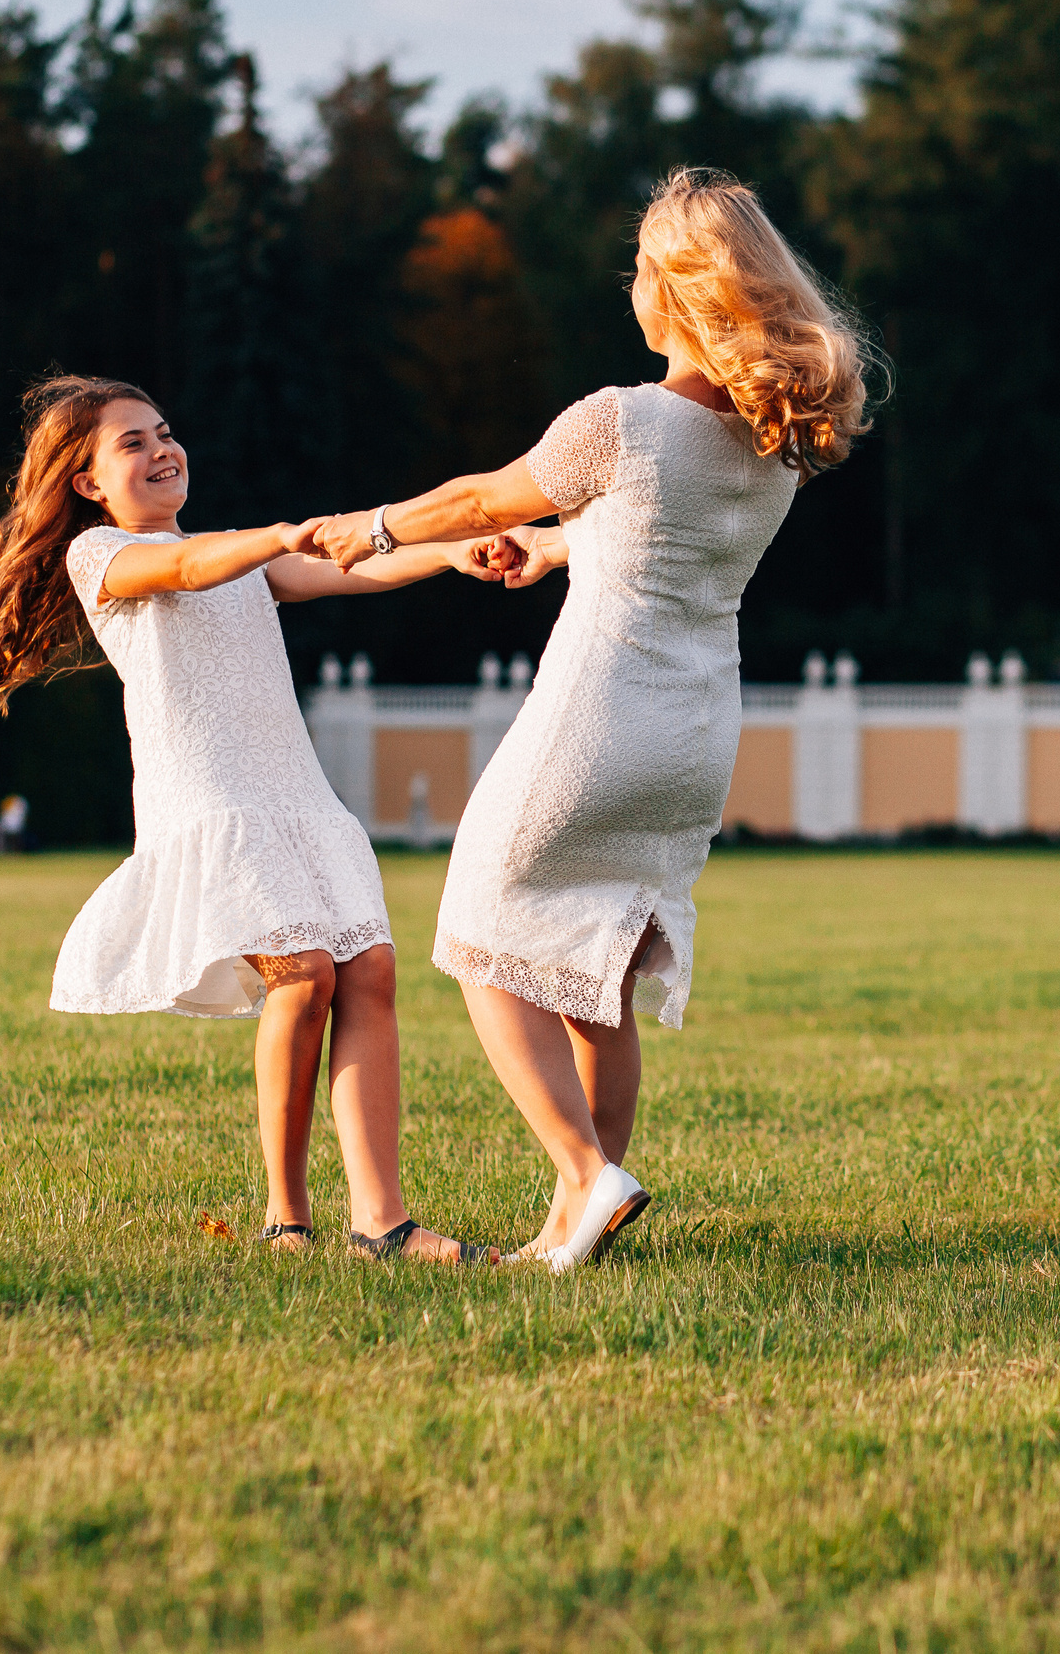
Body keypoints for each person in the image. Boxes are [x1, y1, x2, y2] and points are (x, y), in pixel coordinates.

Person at [314, 168, 873, 1272]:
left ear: (667, 292)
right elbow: (667, 537)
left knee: (478, 924)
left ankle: (583, 1171)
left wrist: (373, 528)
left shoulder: (617, 421)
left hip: (598, 713)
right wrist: (558, 547)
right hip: (695, 734)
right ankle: (572, 1224)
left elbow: (483, 497)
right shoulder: (774, 448)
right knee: (598, 968)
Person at [0, 374, 529, 1264]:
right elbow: (183, 566)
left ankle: (383, 1222)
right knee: (304, 970)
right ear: (87, 482)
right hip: (210, 806)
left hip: (297, 799)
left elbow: (347, 563)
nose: (163, 448)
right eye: (132, 442)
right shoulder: (101, 558)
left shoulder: (237, 557)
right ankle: (287, 1218)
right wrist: (274, 533)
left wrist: (447, 553)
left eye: (165, 431)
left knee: (370, 971)